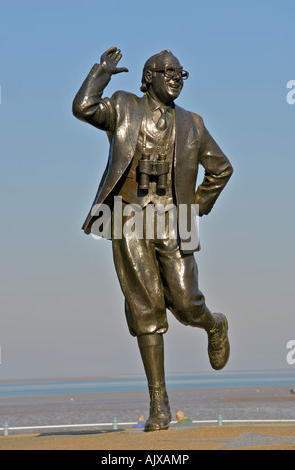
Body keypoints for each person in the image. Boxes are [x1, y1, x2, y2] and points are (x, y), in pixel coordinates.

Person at [73, 47, 233, 432]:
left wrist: (197, 207)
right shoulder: (124, 107)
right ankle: (159, 406)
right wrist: (101, 74)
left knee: (185, 303)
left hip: (175, 219)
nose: (175, 77)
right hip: (127, 216)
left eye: (181, 72)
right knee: (145, 311)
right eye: (167, 71)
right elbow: (83, 107)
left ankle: (214, 325)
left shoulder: (193, 123)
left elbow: (221, 169)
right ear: (148, 79)